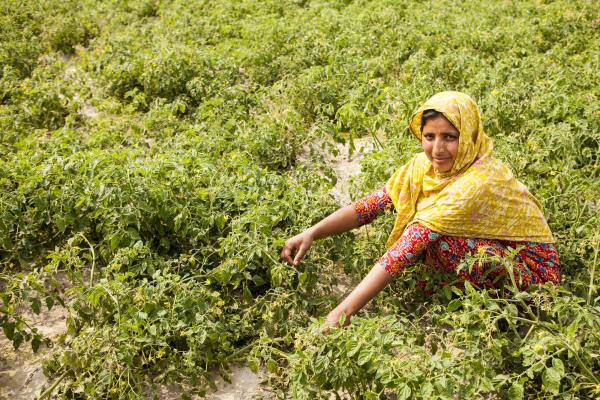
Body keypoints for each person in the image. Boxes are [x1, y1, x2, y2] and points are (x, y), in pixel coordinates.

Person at [280, 91, 561, 329]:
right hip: (497, 253)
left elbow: (409, 244)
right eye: (429, 136)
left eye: (449, 137)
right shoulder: (422, 167)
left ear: (469, 135)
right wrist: (312, 232)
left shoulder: (479, 180)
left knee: (436, 243)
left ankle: (509, 315)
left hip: (532, 275)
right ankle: (458, 300)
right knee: (432, 242)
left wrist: (340, 315)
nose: (437, 149)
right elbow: (373, 205)